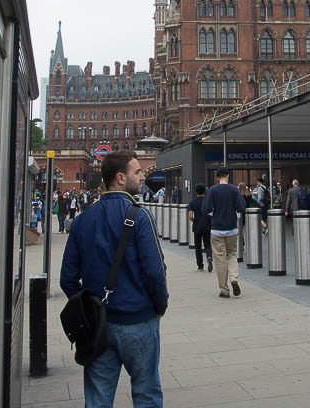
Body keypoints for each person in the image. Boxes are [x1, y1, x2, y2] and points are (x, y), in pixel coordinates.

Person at [60, 150, 168, 408]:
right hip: (138, 320)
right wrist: (159, 307)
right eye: (137, 172)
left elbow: (67, 279)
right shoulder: (140, 217)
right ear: (121, 178)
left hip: (99, 326)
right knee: (146, 394)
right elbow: (155, 272)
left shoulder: (82, 221)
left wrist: (89, 310)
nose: (142, 177)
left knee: (97, 399)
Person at [201, 166, 245, 298]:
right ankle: (234, 279)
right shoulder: (234, 190)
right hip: (232, 228)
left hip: (217, 229)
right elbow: (241, 207)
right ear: (228, 176)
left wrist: (214, 214)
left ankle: (224, 290)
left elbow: (206, 208)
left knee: (220, 259)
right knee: (232, 254)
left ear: (217, 177)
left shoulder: (212, 190)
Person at [188, 184, 213, 272]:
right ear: (204, 191)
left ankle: (200, 265)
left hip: (197, 226)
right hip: (207, 225)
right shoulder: (207, 201)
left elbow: (190, 216)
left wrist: (194, 221)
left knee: (198, 246)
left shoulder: (193, 202)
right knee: (207, 244)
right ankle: (209, 257)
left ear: (196, 191)